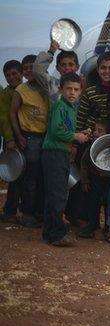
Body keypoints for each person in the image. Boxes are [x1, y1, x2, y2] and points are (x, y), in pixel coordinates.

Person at [41, 72, 89, 246]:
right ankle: (57, 234)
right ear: (61, 89)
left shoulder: (70, 108)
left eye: (76, 89)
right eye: (68, 88)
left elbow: (64, 130)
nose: (72, 93)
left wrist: (76, 136)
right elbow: (56, 131)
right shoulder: (60, 106)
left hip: (59, 153)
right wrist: (75, 136)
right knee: (58, 195)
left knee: (54, 195)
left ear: (80, 92)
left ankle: (49, 232)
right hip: (54, 154)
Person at [75, 52, 110, 240]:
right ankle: (90, 224)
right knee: (91, 189)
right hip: (92, 146)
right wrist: (85, 136)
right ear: (97, 69)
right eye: (103, 68)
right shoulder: (90, 92)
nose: (107, 71)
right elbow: (81, 119)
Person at [9, 58, 50, 228]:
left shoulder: (47, 87)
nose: (28, 70)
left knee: (43, 176)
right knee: (30, 177)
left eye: (31, 67)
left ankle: (40, 212)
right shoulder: (21, 90)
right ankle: (27, 213)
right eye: (25, 68)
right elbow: (12, 113)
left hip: (47, 137)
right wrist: (18, 136)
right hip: (30, 138)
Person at [78, 120, 110, 240]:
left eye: (100, 131)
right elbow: (84, 164)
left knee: (107, 202)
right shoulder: (91, 146)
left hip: (106, 180)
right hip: (94, 179)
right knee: (93, 204)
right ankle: (94, 228)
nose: (96, 133)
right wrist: (84, 181)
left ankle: (108, 228)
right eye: (95, 130)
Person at [0, 60, 23, 223]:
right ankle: (9, 210)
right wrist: (9, 139)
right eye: (8, 75)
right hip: (12, 141)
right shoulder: (6, 94)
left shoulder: (28, 90)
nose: (12, 77)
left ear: (21, 73)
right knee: (14, 177)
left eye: (15, 73)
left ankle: (28, 209)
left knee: (28, 177)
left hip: (26, 138)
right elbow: (4, 118)